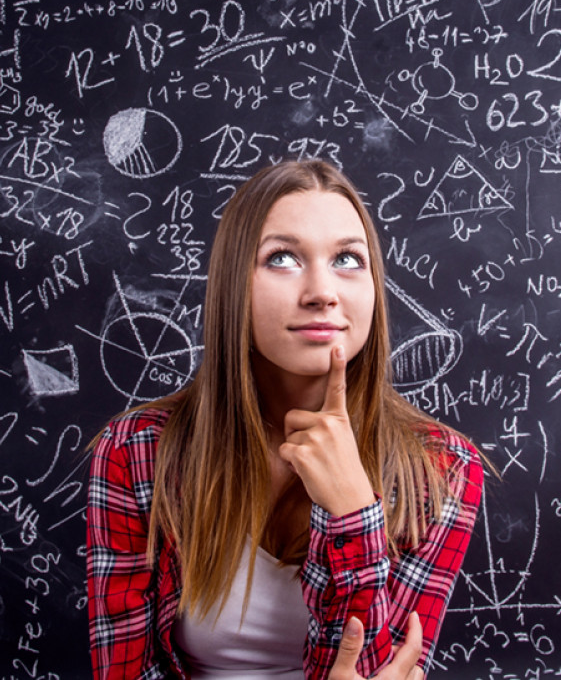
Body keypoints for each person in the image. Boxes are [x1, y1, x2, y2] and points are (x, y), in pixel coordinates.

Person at [86, 159, 484, 679]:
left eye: (347, 258)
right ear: (234, 286)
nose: (323, 292)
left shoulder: (441, 470)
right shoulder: (135, 453)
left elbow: (374, 670)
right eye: (282, 259)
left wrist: (351, 515)